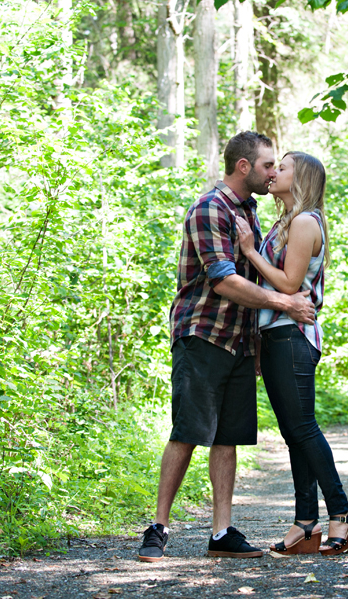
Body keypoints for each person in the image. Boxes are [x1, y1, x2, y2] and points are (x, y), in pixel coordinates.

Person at [138, 132, 317, 563]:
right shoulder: (209, 208)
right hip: (202, 334)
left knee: (227, 437)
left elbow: (258, 270)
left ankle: (221, 532)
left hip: (239, 340)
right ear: (244, 167)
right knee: (188, 430)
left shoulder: (249, 211)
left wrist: (255, 342)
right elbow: (223, 279)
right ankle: (158, 527)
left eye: (278, 166)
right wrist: (286, 303)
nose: (273, 171)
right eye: (268, 165)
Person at [233, 152, 348, 556]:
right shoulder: (286, 222)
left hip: (293, 335)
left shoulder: (306, 222)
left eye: (283, 168)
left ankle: (341, 514)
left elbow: (290, 286)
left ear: (301, 178)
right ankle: (305, 523)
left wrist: (251, 251)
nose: (273, 172)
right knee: (294, 435)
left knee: (303, 429)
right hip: (276, 335)